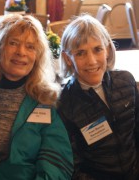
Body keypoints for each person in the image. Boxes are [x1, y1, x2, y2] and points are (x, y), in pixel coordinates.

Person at [0, 14, 73, 179]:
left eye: (30, 47)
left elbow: (56, 159)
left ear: (37, 55)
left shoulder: (44, 98)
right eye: (13, 43)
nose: (21, 52)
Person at [57, 14, 139, 180]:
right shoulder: (65, 103)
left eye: (97, 49)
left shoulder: (126, 81)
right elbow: (70, 160)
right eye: (80, 53)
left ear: (107, 50)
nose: (92, 61)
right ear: (68, 59)